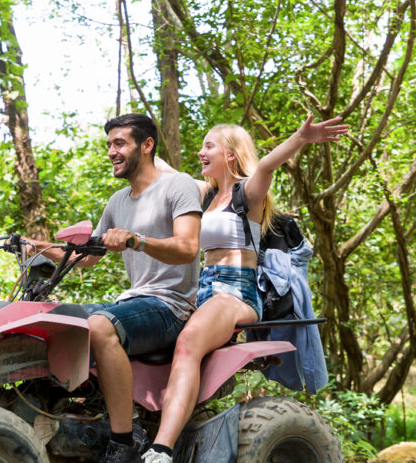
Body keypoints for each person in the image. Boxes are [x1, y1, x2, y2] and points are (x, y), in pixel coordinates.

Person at [141, 114, 348, 463]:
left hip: (236, 292)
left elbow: (267, 164)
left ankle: (160, 450)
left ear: (231, 155)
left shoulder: (247, 194)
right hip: (202, 294)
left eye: (209, 146)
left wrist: (300, 136)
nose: (201, 152)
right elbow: (161, 170)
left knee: (188, 342)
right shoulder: (206, 195)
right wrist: (134, 139)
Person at [28, 113, 202, 463]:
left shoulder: (177, 185)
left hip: (171, 307)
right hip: (134, 301)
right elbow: (88, 257)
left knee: (99, 325)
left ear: (147, 145)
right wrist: (36, 246)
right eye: (109, 144)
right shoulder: (117, 200)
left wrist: (137, 241)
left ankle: (125, 440)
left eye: (119, 143)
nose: (111, 151)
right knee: (53, 319)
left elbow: (187, 248)